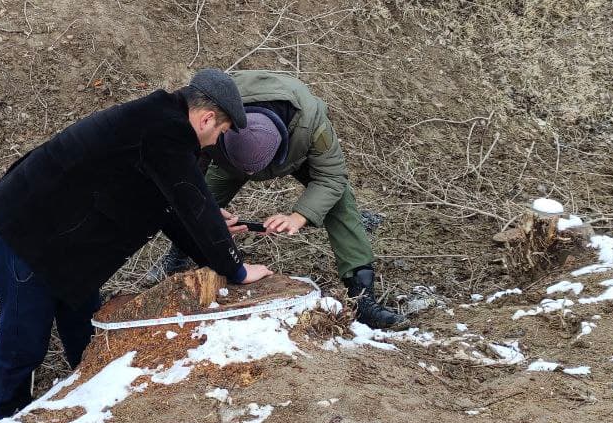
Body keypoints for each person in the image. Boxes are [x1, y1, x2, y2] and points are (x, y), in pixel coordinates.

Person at [0, 69, 274, 419]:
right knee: (24, 341)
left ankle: (88, 404)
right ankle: (8, 422)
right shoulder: (166, 131)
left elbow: (172, 209)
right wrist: (235, 269)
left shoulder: (158, 123)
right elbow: (194, 206)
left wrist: (213, 256)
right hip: (24, 234)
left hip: (65, 247)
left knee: (85, 328)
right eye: (221, 132)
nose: (214, 142)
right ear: (207, 118)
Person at [147, 70, 416, 329]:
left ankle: (362, 295)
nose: (255, 178)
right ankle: (177, 257)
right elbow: (186, 172)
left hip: (296, 153)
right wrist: (207, 211)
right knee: (200, 198)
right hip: (230, 158)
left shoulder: (311, 124)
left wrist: (298, 217)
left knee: (340, 203)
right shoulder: (215, 115)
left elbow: (333, 177)